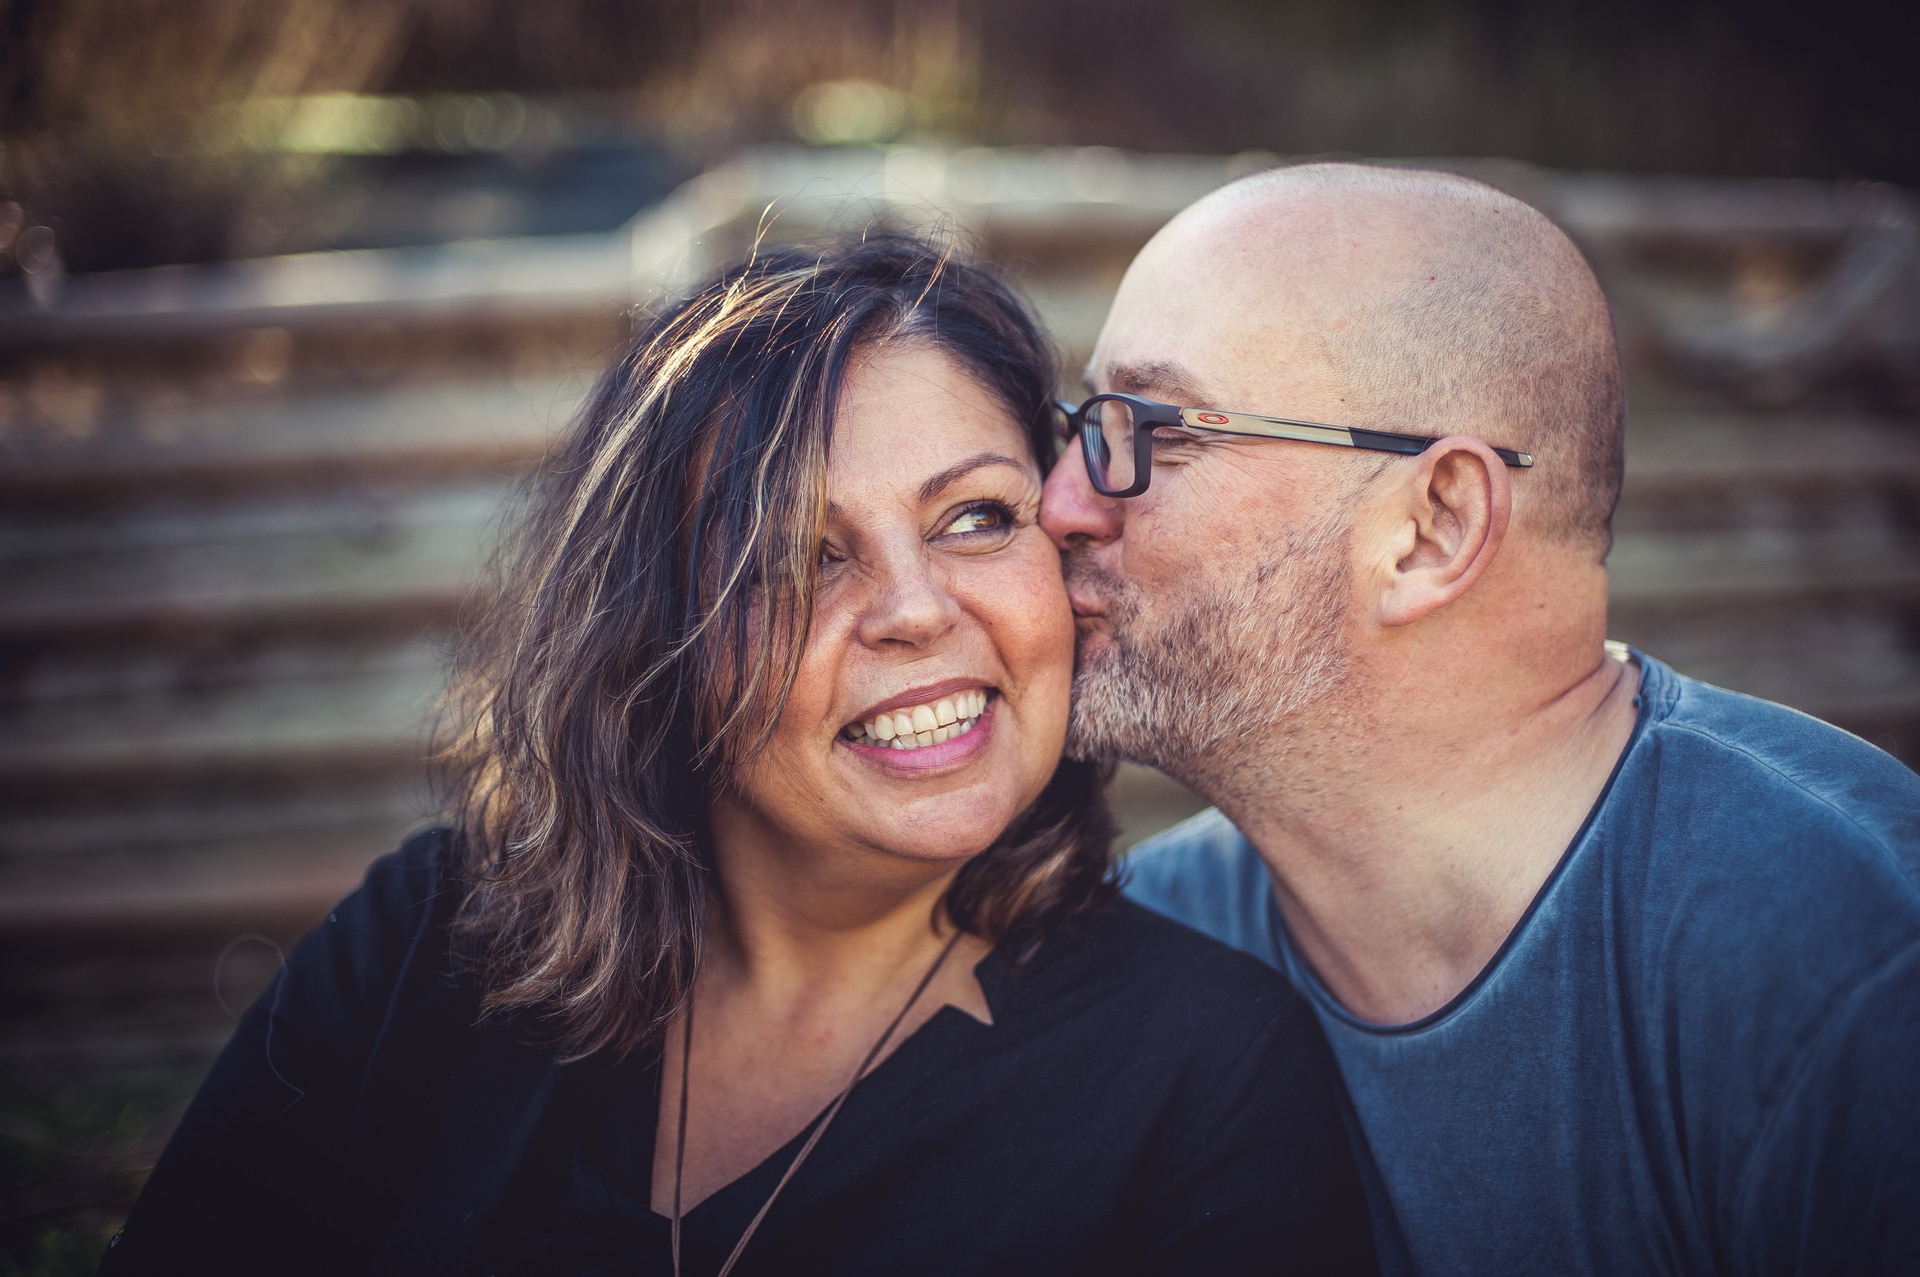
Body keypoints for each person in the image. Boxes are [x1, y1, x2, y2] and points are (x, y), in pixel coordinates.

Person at [100, 234, 1375, 1276]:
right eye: (802, 554)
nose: (917, 608)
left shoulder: (1208, 1070)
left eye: (977, 517)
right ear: (650, 633)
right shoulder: (433, 943)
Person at [1040, 162, 1920, 1275]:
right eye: (1078, 424)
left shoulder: (1842, 963)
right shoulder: (1152, 950)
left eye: (1146, 429)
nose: (1061, 500)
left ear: (1433, 527)